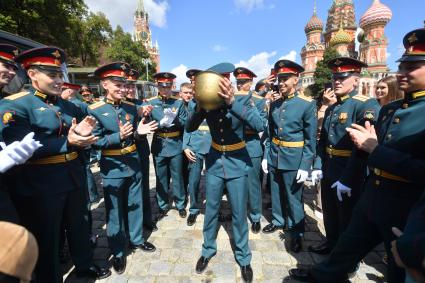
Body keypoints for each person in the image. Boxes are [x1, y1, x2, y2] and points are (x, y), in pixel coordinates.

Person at [289, 27, 425, 283]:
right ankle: (321, 276)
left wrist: (373, 154)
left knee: (399, 267)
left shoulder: (370, 106)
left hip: (406, 204)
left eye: (413, 66)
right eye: (403, 65)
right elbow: (360, 149)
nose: (403, 72)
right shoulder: (392, 109)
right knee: (345, 247)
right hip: (373, 195)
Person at [0, 46, 110, 282]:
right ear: (32, 75)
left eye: (60, 74)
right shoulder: (16, 105)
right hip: (42, 182)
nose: (59, 80)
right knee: (47, 235)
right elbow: (19, 147)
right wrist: (67, 141)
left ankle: (84, 265)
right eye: (53, 75)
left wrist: (81, 136)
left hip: (73, 175)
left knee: (80, 225)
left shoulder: (68, 105)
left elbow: (77, 132)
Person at [187, 62, 266, 282]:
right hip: (214, 162)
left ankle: (243, 257)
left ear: (227, 81)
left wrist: (233, 103)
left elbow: (259, 125)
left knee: (240, 212)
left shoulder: (242, 99)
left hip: (237, 162)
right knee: (211, 209)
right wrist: (199, 105)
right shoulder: (207, 102)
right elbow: (189, 127)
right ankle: (207, 250)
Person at [89, 62, 158, 274]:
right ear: (104, 85)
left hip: (134, 163)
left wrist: (139, 132)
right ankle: (118, 252)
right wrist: (117, 136)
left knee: (135, 204)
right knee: (115, 212)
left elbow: (136, 133)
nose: (121, 87)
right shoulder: (94, 110)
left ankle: (136, 239)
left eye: (123, 83)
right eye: (116, 83)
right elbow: (93, 141)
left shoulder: (130, 107)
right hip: (113, 167)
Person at [307, 57, 380, 256]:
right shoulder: (332, 107)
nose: (337, 81)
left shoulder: (365, 105)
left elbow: (363, 148)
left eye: (343, 77)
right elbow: (323, 141)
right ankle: (331, 243)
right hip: (330, 167)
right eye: (335, 77)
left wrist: (348, 178)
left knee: (348, 217)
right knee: (331, 213)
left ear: (356, 80)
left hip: (350, 170)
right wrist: (318, 166)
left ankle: (347, 259)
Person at [261, 60, 317, 253]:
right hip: (275, 155)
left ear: (296, 79)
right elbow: (270, 133)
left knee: (293, 198)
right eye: (279, 78)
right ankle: (278, 220)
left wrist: (305, 165)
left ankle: (296, 231)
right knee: (275, 192)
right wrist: (266, 156)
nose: (281, 82)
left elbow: (311, 140)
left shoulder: (307, 105)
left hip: (294, 158)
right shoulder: (275, 104)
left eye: (285, 78)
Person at [146, 72, 188, 220]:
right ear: (158, 86)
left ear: (172, 86)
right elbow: (145, 124)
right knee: (161, 178)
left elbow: (185, 122)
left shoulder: (178, 103)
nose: (165, 89)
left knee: (177, 177)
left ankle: (180, 204)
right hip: (159, 144)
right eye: (162, 86)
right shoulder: (150, 103)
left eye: (168, 86)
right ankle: (162, 205)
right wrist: (159, 124)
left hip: (175, 144)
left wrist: (175, 121)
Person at [233, 66, 267, 234]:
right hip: (235, 145)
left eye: (243, 82)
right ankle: (237, 213)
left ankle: (255, 216)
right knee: (236, 183)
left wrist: (249, 108)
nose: (240, 86)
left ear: (251, 82)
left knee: (253, 184)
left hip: (252, 146)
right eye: (238, 82)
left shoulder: (258, 100)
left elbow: (260, 124)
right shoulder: (230, 98)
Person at [125, 68, 157, 232]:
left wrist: (147, 114)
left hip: (141, 151)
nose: (130, 89)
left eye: (132, 86)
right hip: (124, 153)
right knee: (128, 190)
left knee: (143, 187)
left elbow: (150, 125)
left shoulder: (141, 104)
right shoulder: (119, 106)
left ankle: (146, 219)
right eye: (127, 85)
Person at [182, 69, 211, 226]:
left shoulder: (213, 98)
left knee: (214, 182)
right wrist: (185, 146)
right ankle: (193, 210)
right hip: (195, 146)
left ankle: (214, 208)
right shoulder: (191, 102)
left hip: (213, 146)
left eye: (196, 81)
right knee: (193, 180)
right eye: (192, 82)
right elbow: (187, 126)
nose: (194, 85)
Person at [311, 87, 337, 218]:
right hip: (321, 146)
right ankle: (320, 204)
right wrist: (325, 105)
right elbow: (318, 125)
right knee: (320, 177)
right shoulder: (322, 108)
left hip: (338, 151)